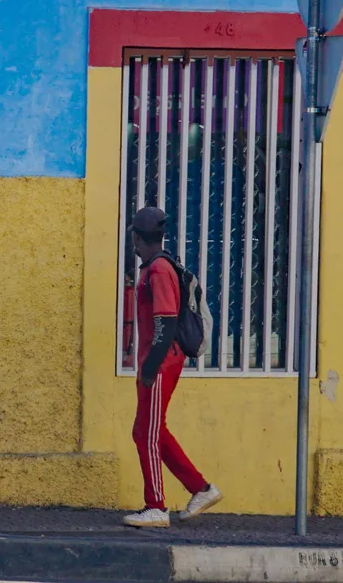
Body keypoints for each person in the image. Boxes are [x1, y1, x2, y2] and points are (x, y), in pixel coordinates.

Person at [124, 206, 222, 528]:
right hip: (161, 360)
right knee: (148, 431)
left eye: (134, 239)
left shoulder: (158, 270)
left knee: (148, 435)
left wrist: (150, 367)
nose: (134, 245)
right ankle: (201, 489)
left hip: (162, 362)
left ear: (137, 238)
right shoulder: (156, 266)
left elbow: (164, 323)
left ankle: (156, 506)